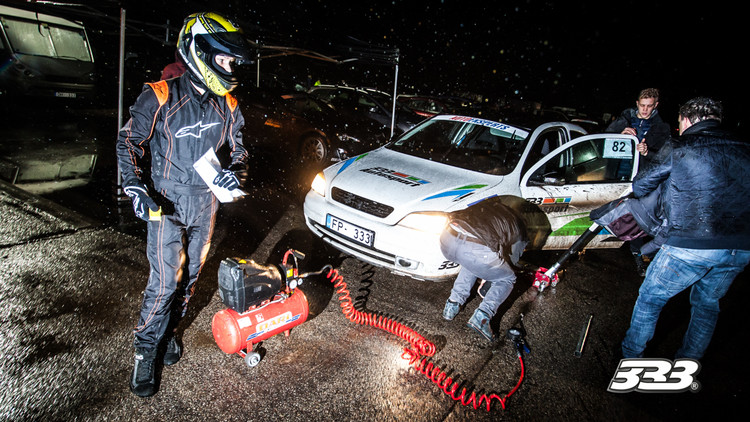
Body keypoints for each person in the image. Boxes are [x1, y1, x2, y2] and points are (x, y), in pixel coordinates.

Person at [116, 12, 250, 397]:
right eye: (225, 60)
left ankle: (170, 331)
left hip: (205, 204)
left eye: (232, 62)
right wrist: (136, 187)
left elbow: (240, 150)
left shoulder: (228, 104)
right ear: (200, 52)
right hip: (166, 204)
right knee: (164, 283)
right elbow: (128, 143)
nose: (231, 68)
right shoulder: (159, 95)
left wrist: (235, 175)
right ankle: (145, 350)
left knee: (190, 279)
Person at [621, 97, 750, 360]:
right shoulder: (746, 148)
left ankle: (630, 358)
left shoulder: (680, 145)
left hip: (690, 243)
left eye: (680, 122)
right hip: (741, 247)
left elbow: (640, 185)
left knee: (650, 298)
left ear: (687, 119)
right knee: (707, 306)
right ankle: (688, 362)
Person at [439, 197, 528, 342]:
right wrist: (490, 278)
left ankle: (452, 306)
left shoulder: (494, 209)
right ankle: (483, 317)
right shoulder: (521, 230)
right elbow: (513, 262)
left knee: (472, 261)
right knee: (507, 278)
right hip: (473, 247)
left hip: (447, 239)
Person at [606, 89, 672, 276]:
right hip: (616, 175)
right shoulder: (625, 118)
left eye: (649, 106)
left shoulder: (662, 128)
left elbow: (665, 159)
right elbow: (604, 136)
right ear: (637, 103)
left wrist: (647, 152)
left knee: (639, 218)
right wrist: (620, 131)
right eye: (642, 105)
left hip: (642, 180)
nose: (645, 110)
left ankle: (638, 255)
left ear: (656, 105)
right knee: (611, 210)